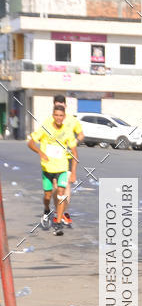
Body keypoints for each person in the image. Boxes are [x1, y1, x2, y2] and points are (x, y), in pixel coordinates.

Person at [27, 104, 77, 236]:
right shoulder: (45, 128)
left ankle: (58, 223)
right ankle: (46, 209)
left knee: (61, 194)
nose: (59, 118)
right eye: (56, 115)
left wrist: (73, 172)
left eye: (61, 115)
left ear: (64, 117)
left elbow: (74, 154)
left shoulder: (67, 131)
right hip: (47, 168)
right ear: (53, 116)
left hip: (61, 168)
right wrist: (40, 152)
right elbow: (30, 142)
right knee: (48, 195)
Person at [51, 94, 84, 226]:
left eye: (62, 105)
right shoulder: (50, 120)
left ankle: (63, 212)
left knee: (66, 185)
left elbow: (81, 135)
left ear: (65, 105)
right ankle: (57, 211)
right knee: (55, 187)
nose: (59, 107)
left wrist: (73, 143)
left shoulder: (72, 120)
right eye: (56, 105)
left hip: (68, 158)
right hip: (53, 158)